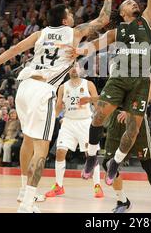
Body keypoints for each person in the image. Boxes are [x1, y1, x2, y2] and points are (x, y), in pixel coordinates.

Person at [0, 0, 113, 213]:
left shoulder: (41, 33)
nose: (73, 16)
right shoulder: (74, 33)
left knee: (28, 141)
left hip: (24, 87)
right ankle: (28, 204)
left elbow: (14, 50)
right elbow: (103, 20)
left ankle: (24, 191)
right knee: (41, 149)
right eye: (70, 14)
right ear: (64, 20)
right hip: (43, 90)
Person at [78, 0, 151, 185]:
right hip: (119, 78)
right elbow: (94, 45)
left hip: (140, 81)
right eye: (128, 2)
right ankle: (92, 157)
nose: (134, 3)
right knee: (98, 118)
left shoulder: (148, 20)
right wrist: (77, 51)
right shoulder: (117, 31)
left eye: (135, 2)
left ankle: (115, 161)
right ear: (122, 11)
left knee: (133, 131)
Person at [96, 78, 151, 213]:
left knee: (146, 163)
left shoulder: (143, 66)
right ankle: (122, 201)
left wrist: (129, 110)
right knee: (107, 163)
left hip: (136, 116)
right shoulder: (116, 66)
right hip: (116, 119)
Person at [44, 63, 104, 199]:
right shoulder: (62, 87)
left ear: (80, 69)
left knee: (91, 155)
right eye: (70, 68)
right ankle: (58, 186)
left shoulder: (88, 84)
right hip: (68, 122)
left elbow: (97, 103)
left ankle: (97, 185)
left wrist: (100, 118)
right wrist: (49, 120)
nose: (73, 70)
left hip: (85, 122)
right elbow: (58, 107)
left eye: (75, 67)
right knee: (60, 152)